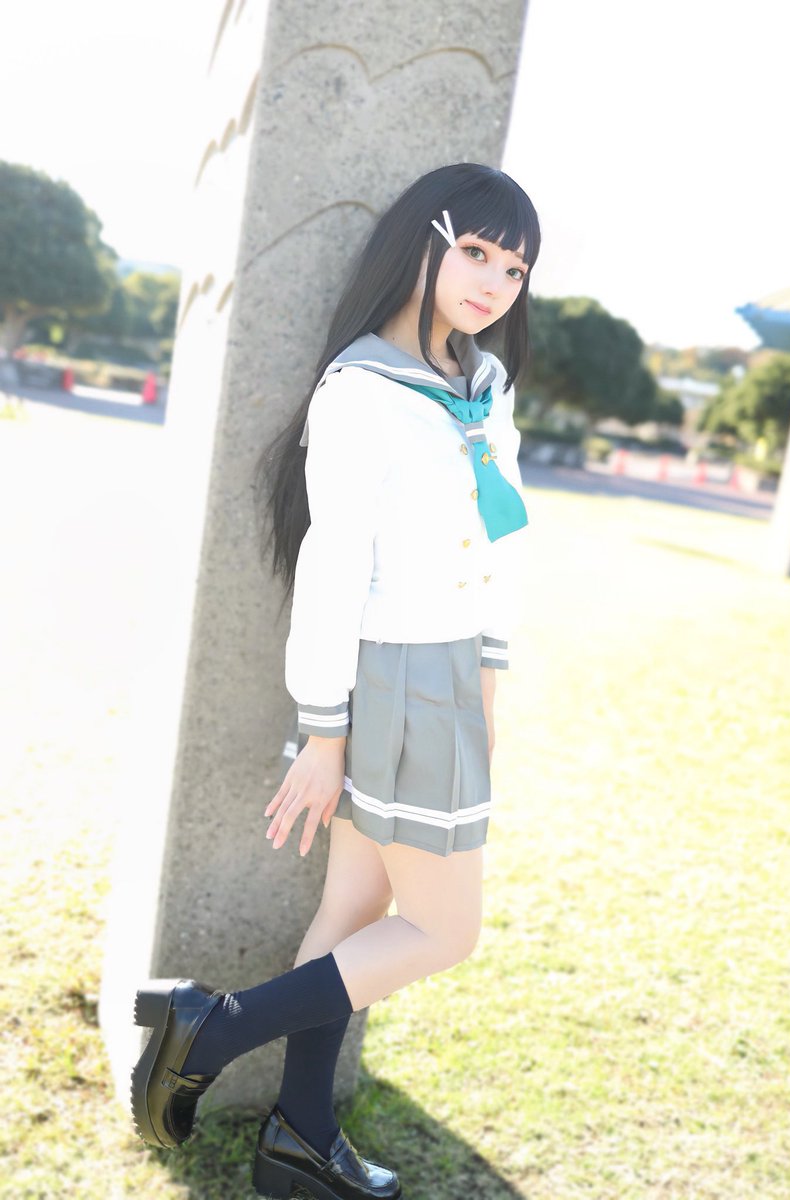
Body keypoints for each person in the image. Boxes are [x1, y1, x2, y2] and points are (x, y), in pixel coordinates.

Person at [129, 161, 540, 1199]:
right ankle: (214, 1027)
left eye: (514, 268)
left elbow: (498, 545)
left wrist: (489, 678)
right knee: (446, 930)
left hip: (451, 676)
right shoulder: (361, 392)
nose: (494, 282)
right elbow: (331, 567)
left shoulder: (483, 388)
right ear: (422, 242)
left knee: (354, 905)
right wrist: (324, 731)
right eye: (476, 252)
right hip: (391, 679)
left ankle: (301, 1135)